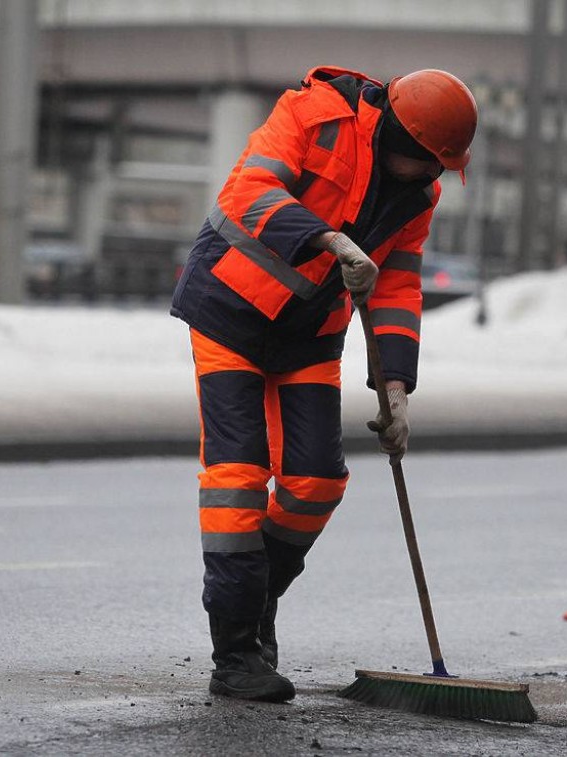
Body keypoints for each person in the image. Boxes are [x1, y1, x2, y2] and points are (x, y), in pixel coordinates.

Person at [170, 66, 477, 702]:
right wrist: (328, 238)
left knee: (315, 482)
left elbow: (397, 284)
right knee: (239, 477)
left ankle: (256, 610)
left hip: (308, 332)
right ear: (402, 137)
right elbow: (247, 194)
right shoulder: (312, 117)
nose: (434, 176)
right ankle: (234, 655)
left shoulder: (419, 196)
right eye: (430, 162)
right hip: (229, 311)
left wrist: (396, 386)